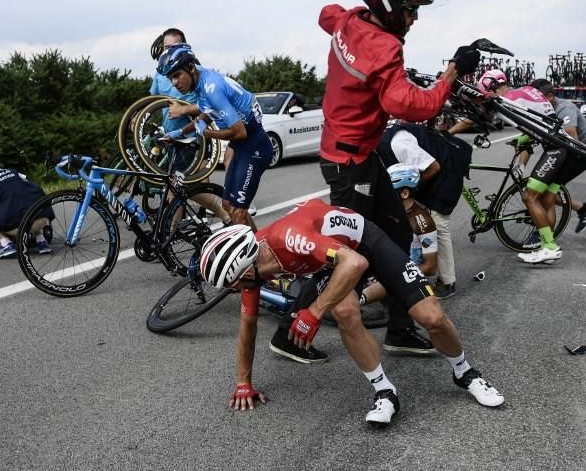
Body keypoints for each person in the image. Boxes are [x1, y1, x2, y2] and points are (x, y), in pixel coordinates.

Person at [199, 200, 504, 426]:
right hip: (330, 261)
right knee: (345, 312)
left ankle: (465, 373)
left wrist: (314, 313)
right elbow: (247, 326)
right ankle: (385, 392)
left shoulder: (287, 238)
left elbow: (355, 263)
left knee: (432, 318)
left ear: (247, 266)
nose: (235, 289)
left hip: (364, 242)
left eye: (234, 282)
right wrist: (243, 382)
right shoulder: (253, 273)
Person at [317, 0, 480, 351]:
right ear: (391, 5)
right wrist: (452, 73)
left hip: (357, 153)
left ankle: (399, 330)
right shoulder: (384, 46)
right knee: (348, 248)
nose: (414, 19)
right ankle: (293, 329)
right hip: (348, 162)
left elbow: (327, 14)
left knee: (397, 234)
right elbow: (411, 105)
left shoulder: (349, 20)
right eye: (411, 9)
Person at [448, 70, 585, 262]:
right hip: (558, 145)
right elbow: (538, 121)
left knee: (529, 197)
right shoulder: (523, 92)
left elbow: (477, 117)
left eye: (485, 89)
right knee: (542, 198)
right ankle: (547, 245)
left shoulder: (509, 99)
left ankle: (550, 247)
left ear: (491, 85)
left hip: (555, 148)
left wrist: (449, 132)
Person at [159, 44, 272, 230]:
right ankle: (258, 244)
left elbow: (239, 132)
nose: (174, 83)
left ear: (190, 68)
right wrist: (178, 134)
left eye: (177, 75)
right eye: (171, 78)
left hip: (254, 147)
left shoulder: (211, 88)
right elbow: (206, 115)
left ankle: (258, 257)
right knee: (229, 206)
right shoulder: (200, 81)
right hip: (242, 146)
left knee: (237, 211)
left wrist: (205, 133)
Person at [378, 121, 473, 299]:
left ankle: (447, 282)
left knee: (438, 225)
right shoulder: (380, 141)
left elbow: (433, 167)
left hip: (444, 173)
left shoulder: (397, 144)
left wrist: (409, 192)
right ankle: (418, 266)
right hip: (424, 175)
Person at [148, 29, 232, 226]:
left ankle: (169, 233)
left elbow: (208, 112)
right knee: (179, 188)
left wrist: (183, 110)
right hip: (171, 139)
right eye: (165, 48)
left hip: (192, 140)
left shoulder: (195, 72)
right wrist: (138, 117)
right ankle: (215, 214)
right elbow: (152, 101)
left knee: (178, 187)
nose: (167, 51)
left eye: (172, 47)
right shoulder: (161, 73)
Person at [529, 79, 586, 233]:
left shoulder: (564, 108)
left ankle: (543, 239)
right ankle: (584, 209)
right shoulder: (541, 108)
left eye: (537, 99)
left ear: (549, 97)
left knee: (546, 195)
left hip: (581, 154)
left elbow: (572, 138)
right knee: (541, 191)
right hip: (561, 150)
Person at [361, 164, 437, 306]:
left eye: (389, 192)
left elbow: (430, 267)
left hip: (406, 272)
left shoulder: (423, 221)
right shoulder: (387, 212)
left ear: (404, 193)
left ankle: (358, 301)